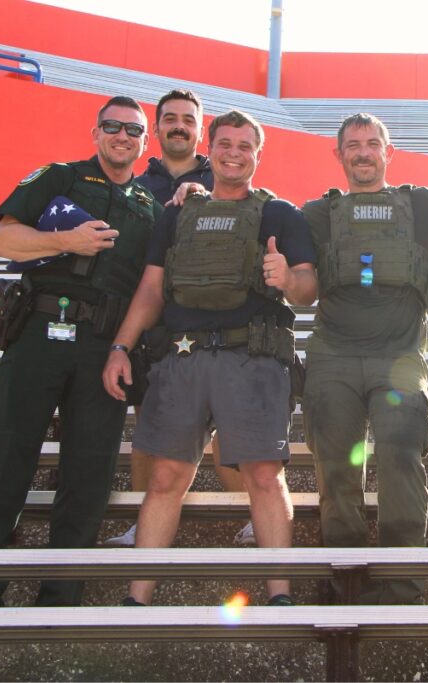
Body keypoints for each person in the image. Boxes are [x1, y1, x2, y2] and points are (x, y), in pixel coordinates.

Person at [102, 109, 317, 607]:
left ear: (257, 155)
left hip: (255, 358)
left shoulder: (280, 213)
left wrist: (289, 278)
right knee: (165, 477)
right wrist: (120, 346)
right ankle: (137, 599)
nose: (234, 153)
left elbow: (309, 288)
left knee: (265, 475)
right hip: (183, 359)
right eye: (225, 144)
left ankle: (280, 596)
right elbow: (152, 287)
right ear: (210, 149)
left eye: (245, 146)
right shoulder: (177, 213)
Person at [0, 96, 160, 607]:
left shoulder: (151, 208)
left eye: (134, 130)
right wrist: (67, 240)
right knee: (7, 460)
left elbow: (151, 288)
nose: (123, 136)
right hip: (40, 332)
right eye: (112, 127)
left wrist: (123, 346)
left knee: (90, 474)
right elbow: (1, 241)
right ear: (95, 133)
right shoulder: (59, 177)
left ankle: (60, 595)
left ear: (144, 141)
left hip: (103, 347)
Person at [300, 114, 428, 604]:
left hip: (400, 357)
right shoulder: (316, 214)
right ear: (338, 154)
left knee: (401, 460)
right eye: (353, 145)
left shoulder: (425, 204)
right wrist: (189, 193)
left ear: (389, 151)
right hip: (332, 358)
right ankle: (345, 580)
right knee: (336, 471)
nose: (363, 153)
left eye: (372, 144)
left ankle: (401, 586)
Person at [103, 88, 253, 548]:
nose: (179, 126)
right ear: (158, 126)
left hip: (214, 321)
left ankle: (250, 515)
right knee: (149, 426)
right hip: (155, 322)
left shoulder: (227, 178)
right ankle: (141, 523)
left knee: (229, 424)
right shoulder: (136, 185)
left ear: (200, 129)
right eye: (170, 118)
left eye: (188, 119)